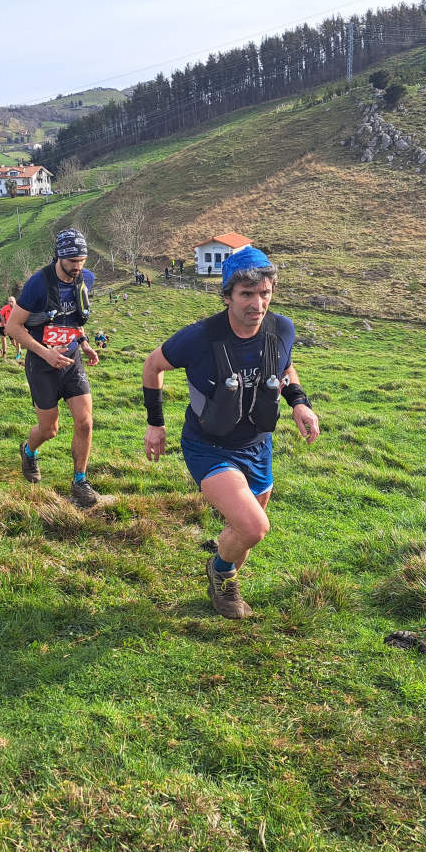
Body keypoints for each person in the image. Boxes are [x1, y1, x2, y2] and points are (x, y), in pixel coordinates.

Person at [141, 246, 320, 619]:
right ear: (227, 296)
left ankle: (222, 578)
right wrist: (156, 423)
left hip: (258, 445)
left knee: (243, 530)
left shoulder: (281, 329)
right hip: (208, 445)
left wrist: (299, 403)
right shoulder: (199, 338)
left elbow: (286, 368)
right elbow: (152, 365)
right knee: (254, 527)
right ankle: (221, 573)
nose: (258, 304)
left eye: (265, 293)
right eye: (246, 294)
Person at [6, 228, 101, 508]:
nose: (77, 266)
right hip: (41, 364)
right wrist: (46, 353)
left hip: (71, 361)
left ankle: (80, 481)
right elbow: (13, 327)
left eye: (82, 260)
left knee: (85, 422)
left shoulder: (85, 279)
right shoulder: (38, 284)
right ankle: (28, 450)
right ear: (58, 257)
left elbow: (72, 318)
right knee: (49, 430)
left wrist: (83, 342)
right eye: (72, 261)